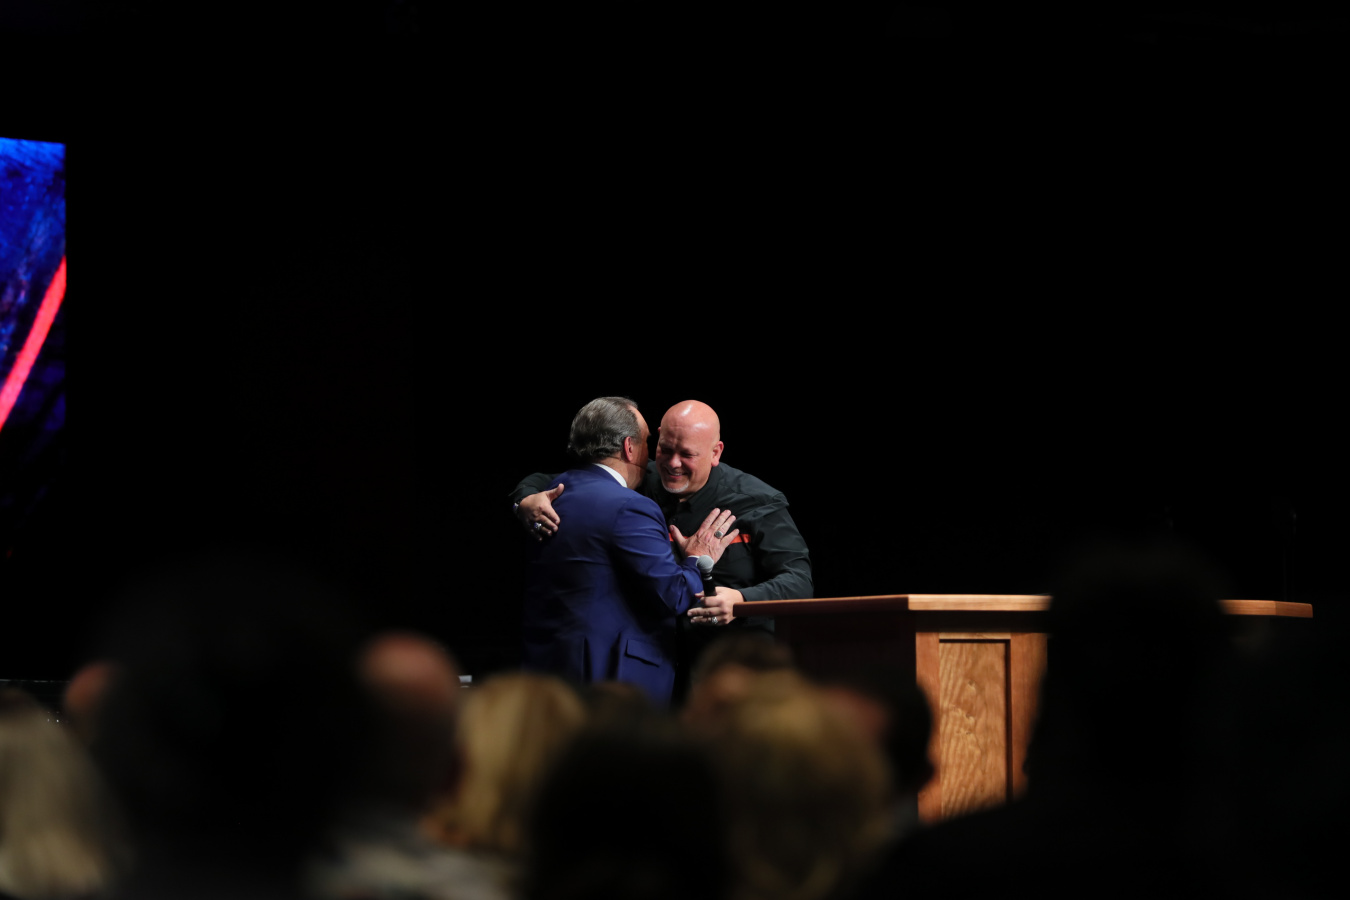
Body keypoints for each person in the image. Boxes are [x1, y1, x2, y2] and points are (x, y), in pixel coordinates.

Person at [512, 400, 812, 696]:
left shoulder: (757, 501)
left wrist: (741, 600)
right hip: (657, 673)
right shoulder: (640, 478)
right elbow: (558, 480)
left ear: (715, 452)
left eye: (687, 454)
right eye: (665, 449)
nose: (672, 463)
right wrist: (525, 499)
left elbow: (799, 580)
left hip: (733, 676)